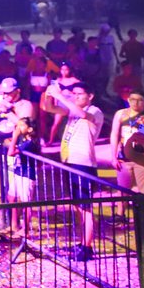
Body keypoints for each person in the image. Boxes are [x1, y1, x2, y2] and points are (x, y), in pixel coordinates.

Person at [42, 83, 104, 262]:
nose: (75, 96)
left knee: (86, 207)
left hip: (83, 163)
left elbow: (83, 115)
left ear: (90, 96)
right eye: (74, 93)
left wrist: (61, 96)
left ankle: (87, 247)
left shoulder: (95, 111)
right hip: (70, 161)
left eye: (79, 94)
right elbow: (48, 108)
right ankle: (82, 241)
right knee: (77, 205)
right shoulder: (72, 110)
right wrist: (49, 94)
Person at [109, 89, 144, 198]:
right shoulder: (120, 114)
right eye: (132, 99)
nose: (135, 102)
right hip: (123, 157)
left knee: (143, 192)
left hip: (142, 158)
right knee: (122, 191)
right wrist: (113, 157)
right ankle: (121, 210)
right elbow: (114, 135)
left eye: (139, 100)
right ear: (128, 100)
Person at [5, 116, 38, 237]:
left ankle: (25, 230)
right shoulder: (24, 140)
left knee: (25, 203)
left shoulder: (29, 143)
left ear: (30, 129)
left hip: (27, 175)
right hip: (18, 172)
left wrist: (14, 137)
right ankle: (14, 225)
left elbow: (10, 153)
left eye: (22, 125)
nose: (18, 127)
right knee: (11, 197)